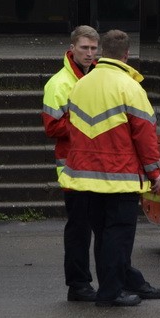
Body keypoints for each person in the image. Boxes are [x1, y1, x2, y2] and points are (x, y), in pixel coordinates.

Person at [59, 29, 160, 307]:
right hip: (120, 176)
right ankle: (111, 292)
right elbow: (145, 135)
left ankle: (115, 285)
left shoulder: (81, 85)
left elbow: (73, 129)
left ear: (102, 52)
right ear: (127, 55)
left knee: (104, 235)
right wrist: (154, 172)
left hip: (85, 178)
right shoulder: (130, 87)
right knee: (118, 235)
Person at [42, 25, 101, 302]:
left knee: (102, 225)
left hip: (100, 165)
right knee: (79, 227)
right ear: (72, 48)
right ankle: (78, 284)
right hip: (73, 166)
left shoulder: (101, 76)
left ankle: (110, 279)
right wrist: (91, 126)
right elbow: (53, 127)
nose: (89, 53)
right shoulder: (59, 83)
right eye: (84, 48)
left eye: (93, 48)